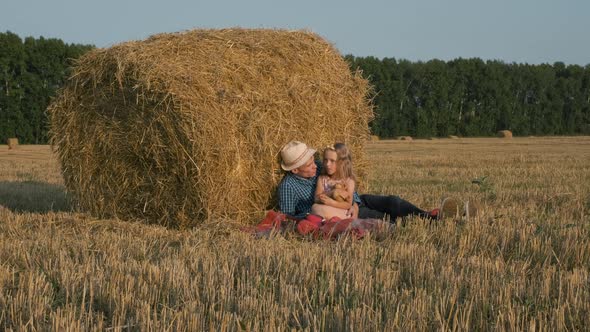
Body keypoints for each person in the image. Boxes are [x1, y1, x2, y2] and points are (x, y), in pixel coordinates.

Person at [278, 140, 459, 223]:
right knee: (384, 218)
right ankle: (433, 222)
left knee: (392, 201)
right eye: (308, 165)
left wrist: (355, 203)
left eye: (313, 161)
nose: (315, 166)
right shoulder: (288, 187)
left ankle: (429, 215)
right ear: (295, 170)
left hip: (353, 202)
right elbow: (288, 218)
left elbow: (344, 180)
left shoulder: (320, 165)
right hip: (337, 213)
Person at [310, 143, 356, 220]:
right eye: (325, 160)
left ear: (342, 163)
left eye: (332, 161)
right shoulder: (322, 179)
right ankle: (330, 224)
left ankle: (334, 222)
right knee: (315, 207)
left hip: (341, 211)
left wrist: (332, 203)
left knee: (319, 211)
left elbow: (348, 204)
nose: (327, 164)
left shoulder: (348, 181)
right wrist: (331, 193)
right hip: (325, 210)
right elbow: (316, 199)